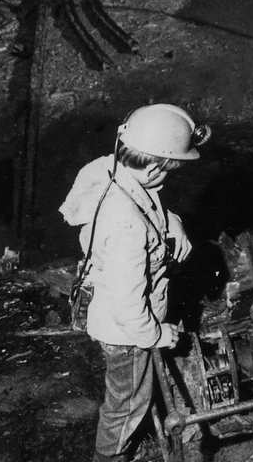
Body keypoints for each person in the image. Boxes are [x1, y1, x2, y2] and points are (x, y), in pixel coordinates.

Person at [59, 103, 210, 462]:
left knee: (126, 397)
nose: (169, 178)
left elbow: (144, 202)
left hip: (109, 308)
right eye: (169, 171)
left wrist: (171, 221)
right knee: (127, 406)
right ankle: (109, 457)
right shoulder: (126, 227)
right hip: (126, 333)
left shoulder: (112, 166)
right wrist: (158, 334)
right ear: (156, 166)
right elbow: (130, 305)